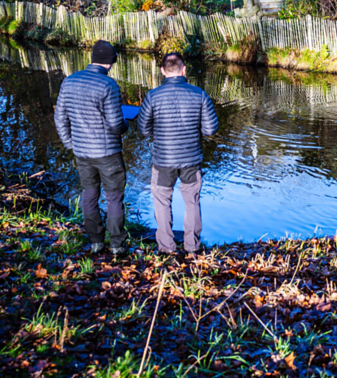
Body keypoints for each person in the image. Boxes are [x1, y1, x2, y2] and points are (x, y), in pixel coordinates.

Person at [138, 53, 219, 255]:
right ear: (184, 69)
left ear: (163, 71)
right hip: (191, 160)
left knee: (162, 202)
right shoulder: (199, 94)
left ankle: (166, 248)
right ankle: (192, 246)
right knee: (192, 202)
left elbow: (143, 129)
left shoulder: (152, 96)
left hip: (163, 160)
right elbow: (210, 130)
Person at [54, 40, 129, 255]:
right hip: (108, 154)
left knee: (89, 194)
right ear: (110, 62)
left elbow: (60, 118)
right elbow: (115, 124)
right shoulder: (108, 85)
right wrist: (126, 125)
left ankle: (96, 242)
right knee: (113, 197)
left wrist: (70, 143)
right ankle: (116, 244)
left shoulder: (69, 82)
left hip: (82, 153)